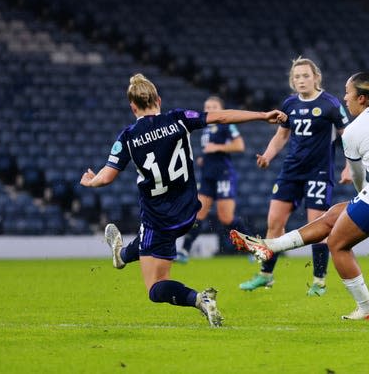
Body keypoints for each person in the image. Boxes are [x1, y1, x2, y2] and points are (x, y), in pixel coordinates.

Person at [80, 73, 286, 327]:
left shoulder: (128, 137)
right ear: (158, 99)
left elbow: (107, 176)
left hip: (158, 219)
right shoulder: (178, 119)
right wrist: (262, 115)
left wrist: (92, 181)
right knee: (152, 242)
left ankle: (199, 299)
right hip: (189, 212)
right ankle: (121, 255)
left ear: (132, 107)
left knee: (155, 288)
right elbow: (221, 117)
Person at [231, 72, 369, 320]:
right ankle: (269, 246)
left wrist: (364, 200)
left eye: (347, 93)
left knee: (338, 244)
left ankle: (367, 309)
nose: (344, 98)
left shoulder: (353, 131)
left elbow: (359, 178)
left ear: (361, 98)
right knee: (335, 214)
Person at [239, 57, 350, 296]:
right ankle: (265, 275)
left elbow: (348, 136)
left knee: (317, 226)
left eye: (305, 76)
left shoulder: (330, 104)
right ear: (292, 80)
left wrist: (349, 166)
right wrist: (268, 156)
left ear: (316, 77)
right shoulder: (289, 104)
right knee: (274, 223)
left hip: (319, 171)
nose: (301, 80)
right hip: (291, 170)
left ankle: (319, 281)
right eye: (297, 77)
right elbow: (281, 136)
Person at [176, 96, 245, 264]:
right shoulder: (205, 127)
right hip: (207, 176)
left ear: (221, 109)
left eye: (214, 106)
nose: (210, 108)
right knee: (197, 214)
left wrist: (217, 148)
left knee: (226, 218)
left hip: (223, 175)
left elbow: (239, 145)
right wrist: (204, 158)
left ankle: (252, 246)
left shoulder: (227, 124)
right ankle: (184, 250)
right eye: (207, 106)